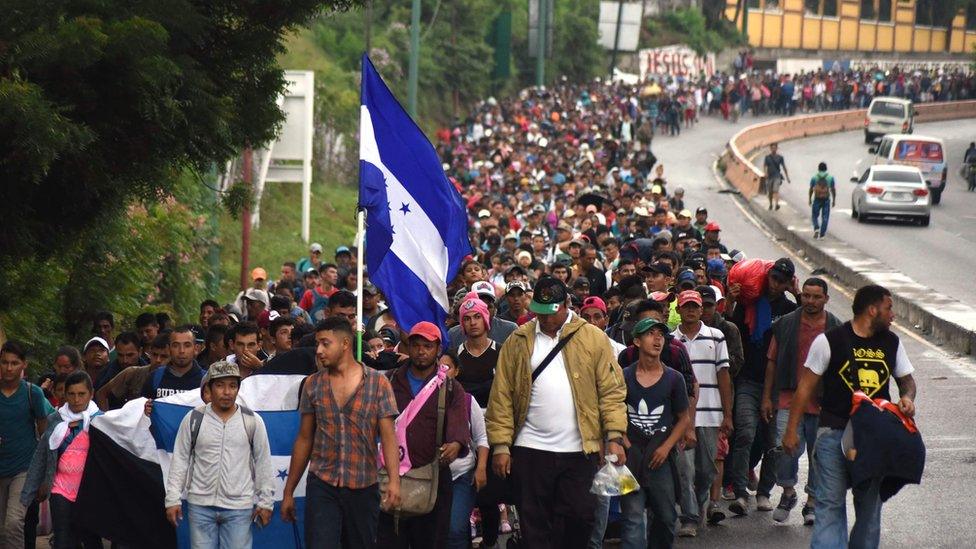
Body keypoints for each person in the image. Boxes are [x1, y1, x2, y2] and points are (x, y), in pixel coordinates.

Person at [486, 276, 626, 549]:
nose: (546, 319)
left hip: (579, 449)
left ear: (566, 305)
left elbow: (611, 392)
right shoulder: (518, 340)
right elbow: (501, 395)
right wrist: (502, 445)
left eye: (552, 312)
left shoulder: (594, 338)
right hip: (530, 449)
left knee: (580, 517)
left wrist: (614, 436)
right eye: (540, 311)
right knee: (534, 525)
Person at [783, 284, 916, 548]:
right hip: (833, 434)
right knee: (829, 506)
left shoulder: (892, 342)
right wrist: (791, 430)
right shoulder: (829, 341)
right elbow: (805, 388)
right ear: (872, 309)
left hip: (873, 440)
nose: (893, 315)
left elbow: (907, 381)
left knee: (869, 510)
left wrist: (907, 399)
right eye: (889, 308)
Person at [281, 317, 400, 548]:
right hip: (322, 484)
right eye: (317, 343)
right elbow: (305, 438)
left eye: (326, 343)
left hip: (364, 485)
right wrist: (288, 491)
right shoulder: (312, 385)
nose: (319, 350)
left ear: (345, 344)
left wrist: (394, 481)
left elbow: (388, 437)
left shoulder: (378, 384)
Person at [377, 321, 471, 548]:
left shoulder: (449, 388)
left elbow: (459, 424)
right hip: (389, 475)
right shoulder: (388, 381)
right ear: (407, 347)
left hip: (433, 477)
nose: (421, 351)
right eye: (416, 345)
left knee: (432, 541)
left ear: (438, 349)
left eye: (427, 346)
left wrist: (456, 444)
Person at [165, 361, 274, 549]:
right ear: (209, 388)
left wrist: (266, 502)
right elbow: (180, 461)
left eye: (232, 386)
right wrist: (172, 499)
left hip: (239, 508)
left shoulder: (252, 421)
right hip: (200, 507)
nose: (227, 392)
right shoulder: (193, 419)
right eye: (220, 385)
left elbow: (263, 461)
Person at [762, 277, 842, 525]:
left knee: (820, 455)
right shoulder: (785, 324)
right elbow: (772, 362)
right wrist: (767, 397)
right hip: (789, 398)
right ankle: (787, 492)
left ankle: (812, 503)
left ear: (826, 299)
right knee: (785, 449)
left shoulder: (837, 329)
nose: (810, 301)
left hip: (823, 403)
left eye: (817, 297)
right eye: (806, 295)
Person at [727, 258, 798, 517]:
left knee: (773, 441)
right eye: (773, 278)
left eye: (782, 281)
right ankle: (740, 493)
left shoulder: (790, 309)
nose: (776, 284)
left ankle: (765, 492)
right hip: (748, 379)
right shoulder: (750, 303)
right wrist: (732, 300)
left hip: (778, 387)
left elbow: (806, 327)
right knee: (745, 433)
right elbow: (731, 328)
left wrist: (798, 294)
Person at [619, 318, 690, 549]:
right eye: (650, 334)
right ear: (637, 341)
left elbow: (683, 418)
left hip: (662, 459)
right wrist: (623, 440)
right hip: (630, 458)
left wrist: (666, 446)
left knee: (667, 517)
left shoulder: (674, 378)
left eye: (661, 334)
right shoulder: (623, 376)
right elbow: (613, 410)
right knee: (632, 518)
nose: (657, 339)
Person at [671, 290, 732, 537]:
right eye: (686, 306)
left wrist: (728, 414)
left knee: (707, 470)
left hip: (710, 413)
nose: (691, 310)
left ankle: (697, 505)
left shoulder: (716, 337)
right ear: (678, 310)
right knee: (685, 469)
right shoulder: (670, 340)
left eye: (695, 306)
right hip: (681, 416)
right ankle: (689, 517)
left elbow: (724, 376)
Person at [21, 371, 102, 549]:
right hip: (60, 488)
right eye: (71, 394)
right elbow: (41, 455)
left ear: (91, 393)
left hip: (89, 490)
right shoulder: (55, 419)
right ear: (64, 395)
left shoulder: (101, 421)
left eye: (81, 394)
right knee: (63, 539)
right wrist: (30, 491)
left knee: (90, 538)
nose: (76, 399)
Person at [1, 341, 54, 549]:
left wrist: (44, 478)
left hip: (24, 469)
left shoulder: (33, 394)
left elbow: (45, 437)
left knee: (14, 522)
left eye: (14, 363)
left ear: (24, 365)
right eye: (4, 362)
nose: (9, 368)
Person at [96, 332, 170, 410]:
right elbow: (101, 394)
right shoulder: (132, 373)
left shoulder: (178, 379)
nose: (158, 360)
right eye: (154, 355)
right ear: (150, 353)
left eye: (164, 356)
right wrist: (106, 418)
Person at [141, 326, 206, 405]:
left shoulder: (205, 380)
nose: (181, 351)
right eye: (176, 345)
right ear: (169, 349)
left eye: (187, 345)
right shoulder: (155, 377)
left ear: (196, 348)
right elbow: (142, 409)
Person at [808, 162, 836, 239]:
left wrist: (810, 199)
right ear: (826, 169)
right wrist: (834, 200)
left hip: (817, 199)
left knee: (814, 215)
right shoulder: (830, 178)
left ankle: (816, 228)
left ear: (818, 169)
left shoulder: (814, 177)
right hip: (826, 199)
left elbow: (811, 189)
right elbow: (833, 189)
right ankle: (822, 234)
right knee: (825, 217)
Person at [763, 143, 791, 210]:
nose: (773, 149)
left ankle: (777, 204)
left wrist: (787, 177)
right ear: (770, 148)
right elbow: (765, 166)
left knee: (776, 190)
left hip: (777, 176)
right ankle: (770, 204)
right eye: (772, 148)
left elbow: (784, 167)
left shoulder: (780, 157)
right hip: (769, 177)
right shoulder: (767, 157)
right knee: (770, 192)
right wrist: (765, 173)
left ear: (776, 148)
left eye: (775, 148)